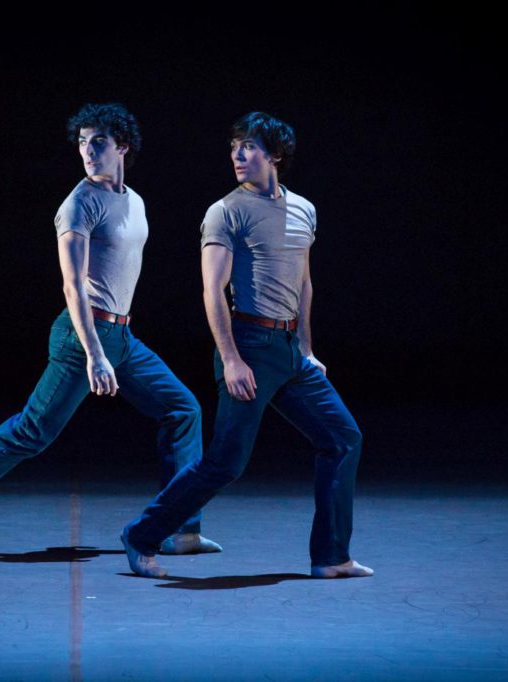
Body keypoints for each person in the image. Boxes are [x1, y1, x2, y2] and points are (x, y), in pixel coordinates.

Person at [0, 103, 220, 556]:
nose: (88, 151)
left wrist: (112, 343)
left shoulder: (134, 201)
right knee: (32, 432)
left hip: (121, 338)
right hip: (83, 337)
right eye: (82, 143)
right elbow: (73, 285)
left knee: (183, 410)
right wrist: (95, 354)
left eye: (98, 142)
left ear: (123, 146)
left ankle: (179, 527)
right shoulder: (79, 204)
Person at [120, 112, 373, 579]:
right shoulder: (225, 211)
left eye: (250, 146)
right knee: (226, 463)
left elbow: (304, 282)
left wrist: (307, 348)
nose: (238, 154)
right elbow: (211, 290)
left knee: (342, 438)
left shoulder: (304, 209)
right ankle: (141, 535)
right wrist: (232, 359)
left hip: (290, 353)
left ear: (274, 154)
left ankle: (332, 557)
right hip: (250, 346)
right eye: (235, 146)